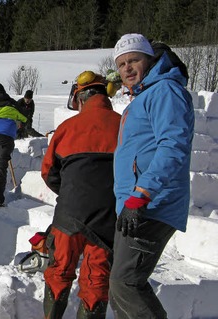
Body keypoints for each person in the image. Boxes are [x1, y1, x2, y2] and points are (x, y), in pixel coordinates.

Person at [110, 33, 194, 319]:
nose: (127, 69)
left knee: (126, 283)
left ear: (149, 60)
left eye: (134, 60)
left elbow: (173, 145)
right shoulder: (145, 96)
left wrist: (142, 193)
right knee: (119, 288)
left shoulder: (165, 91)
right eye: (121, 64)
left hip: (150, 203)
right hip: (134, 204)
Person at [41, 71, 121, 318]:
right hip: (108, 218)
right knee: (97, 281)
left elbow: (48, 172)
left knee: (58, 272)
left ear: (81, 98)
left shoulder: (67, 128)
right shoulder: (125, 125)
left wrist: (71, 192)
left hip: (69, 215)